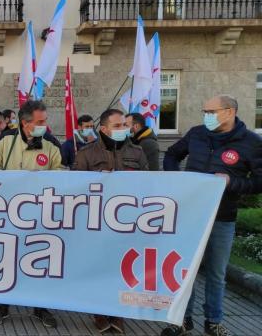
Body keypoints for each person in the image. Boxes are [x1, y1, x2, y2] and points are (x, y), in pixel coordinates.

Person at [160, 95, 262, 336]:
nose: (206, 115)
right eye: (204, 110)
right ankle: (182, 321)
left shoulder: (251, 142)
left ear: (229, 112)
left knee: (216, 273)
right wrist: (177, 177)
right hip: (189, 214)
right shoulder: (196, 133)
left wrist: (232, 182)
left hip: (222, 217)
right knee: (186, 271)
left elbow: (259, 181)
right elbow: (172, 154)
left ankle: (213, 321)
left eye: (211, 111)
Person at [0, 100, 62, 328]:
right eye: (40, 121)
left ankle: (40, 306)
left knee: (39, 259)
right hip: (8, 211)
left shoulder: (50, 143)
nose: (44, 125)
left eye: (45, 120)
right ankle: (3, 305)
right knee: (7, 258)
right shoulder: (6, 140)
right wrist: (6, 182)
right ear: (25, 123)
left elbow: (59, 171)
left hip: (40, 214)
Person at [73, 109, 148, 333]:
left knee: (121, 267)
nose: (123, 129)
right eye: (117, 126)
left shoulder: (137, 151)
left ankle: (117, 312)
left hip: (126, 221)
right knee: (98, 267)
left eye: (125, 125)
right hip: (96, 222)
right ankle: (99, 311)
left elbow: (149, 182)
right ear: (103, 129)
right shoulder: (86, 154)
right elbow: (74, 188)